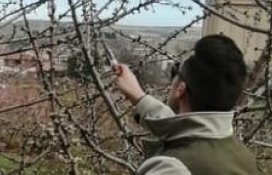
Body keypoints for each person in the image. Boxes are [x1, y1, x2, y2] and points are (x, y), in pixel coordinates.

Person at [112, 34, 261, 175]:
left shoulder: (171, 168)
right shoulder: (244, 158)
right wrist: (139, 97)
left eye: (175, 71)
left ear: (180, 89)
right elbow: (190, 129)